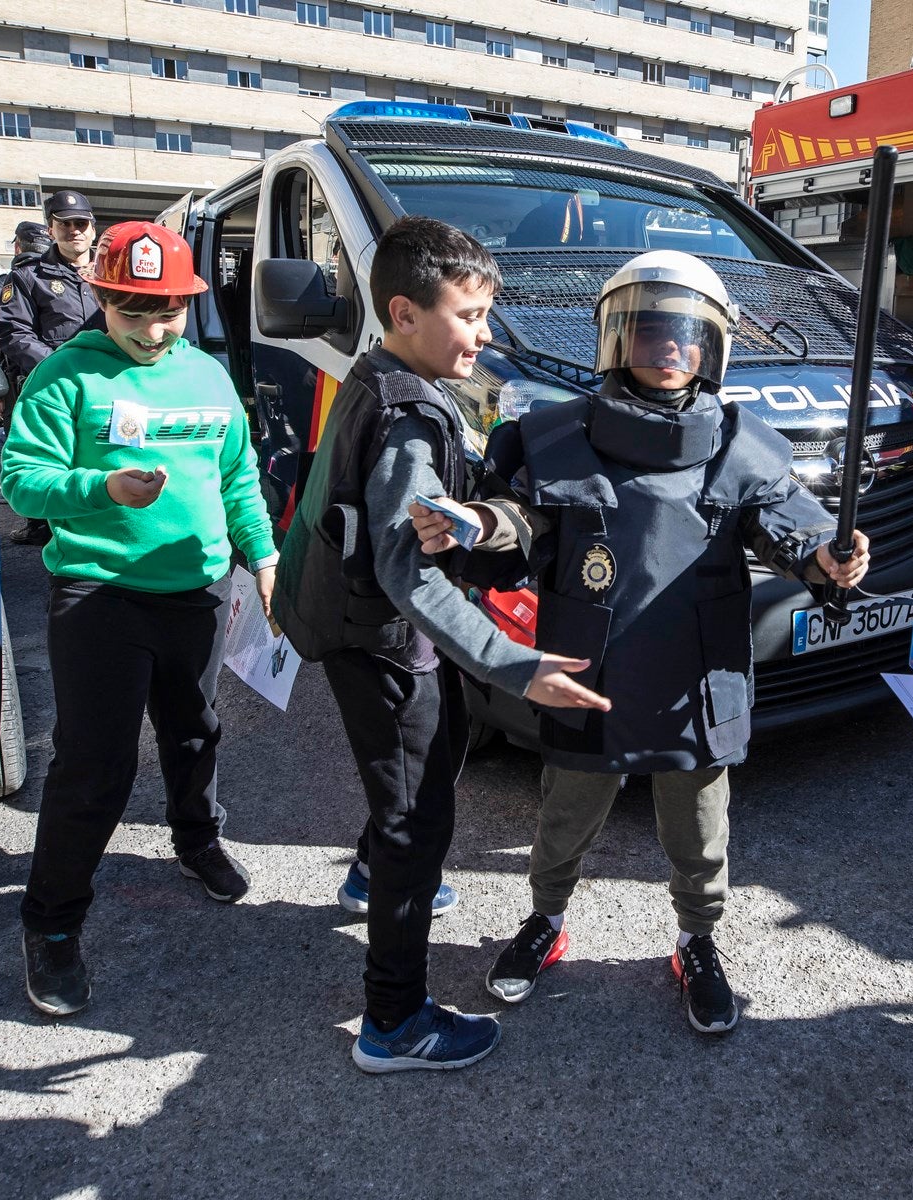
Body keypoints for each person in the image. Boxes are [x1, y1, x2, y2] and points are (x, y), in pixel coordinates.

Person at [415, 250, 869, 1036]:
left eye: (684, 337)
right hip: (590, 669)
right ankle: (545, 923)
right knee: (565, 814)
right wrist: (481, 523)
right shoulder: (557, 435)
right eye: (648, 334)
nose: (667, 351)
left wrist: (828, 556)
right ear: (614, 340)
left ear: (712, 348)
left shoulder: (741, 441)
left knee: (699, 830)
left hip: (694, 675)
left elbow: (788, 524)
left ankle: (698, 939)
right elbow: (522, 518)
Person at [272, 216, 608, 1073]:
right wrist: (517, 666)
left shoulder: (380, 372)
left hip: (353, 628)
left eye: (487, 313)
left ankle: (364, 872)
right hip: (382, 644)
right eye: (469, 314)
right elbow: (407, 575)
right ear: (405, 311)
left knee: (439, 755)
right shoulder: (411, 419)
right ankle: (396, 1022)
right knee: (416, 823)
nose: (485, 334)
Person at [0, 223, 277, 1018]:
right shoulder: (63, 376)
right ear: (103, 298)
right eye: (134, 312)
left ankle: (197, 842)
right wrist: (101, 489)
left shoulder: (208, 377)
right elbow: (21, 484)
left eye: (169, 312)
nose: (154, 330)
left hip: (193, 591)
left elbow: (239, 478)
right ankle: (51, 926)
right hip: (99, 595)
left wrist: (262, 556)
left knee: (195, 732)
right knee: (94, 764)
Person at [0, 190, 104, 547]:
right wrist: (59, 366)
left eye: (81, 224)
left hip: (107, 385)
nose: (74, 230)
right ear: (51, 228)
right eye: (65, 224)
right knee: (59, 468)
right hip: (55, 388)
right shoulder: (29, 277)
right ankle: (65, 548)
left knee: (104, 462)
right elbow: (14, 334)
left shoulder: (109, 271)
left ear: (93, 228)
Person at [0, 222, 55, 457]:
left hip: (19, 384)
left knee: (23, 451)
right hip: (67, 378)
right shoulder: (70, 279)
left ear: (17, 247)